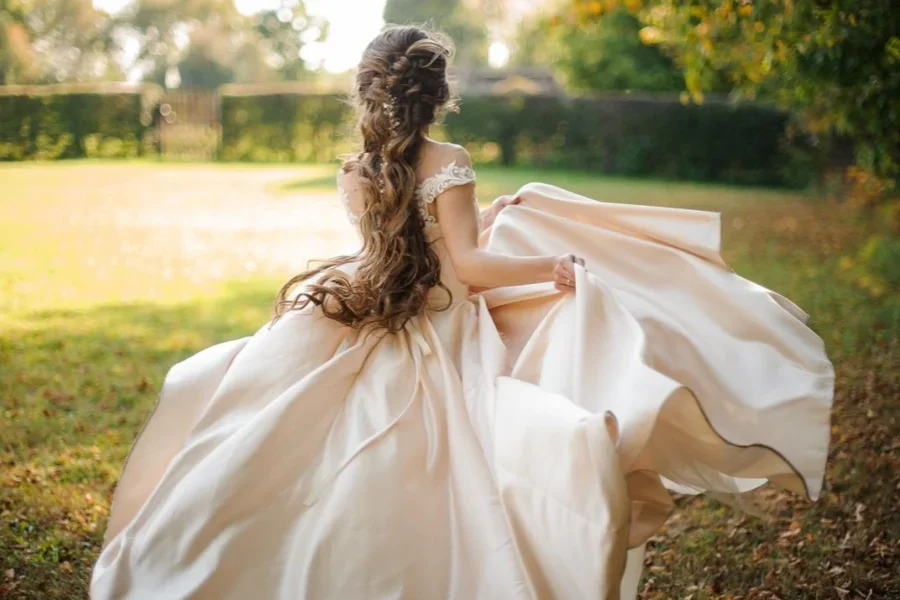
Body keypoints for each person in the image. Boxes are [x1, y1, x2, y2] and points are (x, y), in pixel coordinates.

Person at [91, 26, 834, 600]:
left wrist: (486, 218)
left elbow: (400, 245)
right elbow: (470, 267)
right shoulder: (448, 160)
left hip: (371, 303)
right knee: (461, 438)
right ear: (437, 93)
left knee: (283, 428)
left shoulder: (358, 168)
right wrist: (550, 266)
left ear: (369, 92)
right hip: (441, 322)